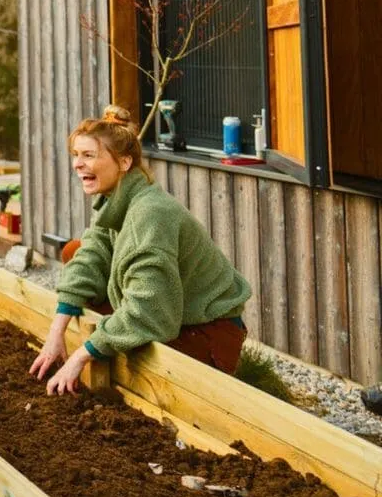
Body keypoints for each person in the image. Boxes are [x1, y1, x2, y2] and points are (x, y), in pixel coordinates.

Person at [29, 105, 252, 395]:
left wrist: (82, 355)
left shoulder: (149, 215)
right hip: (175, 313)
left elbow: (151, 311)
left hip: (207, 332)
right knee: (76, 251)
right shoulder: (116, 199)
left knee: (138, 377)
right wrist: (56, 332)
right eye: (76, 155)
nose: (77, 164)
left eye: (88, 155)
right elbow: (90, 257)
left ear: (123, 163)